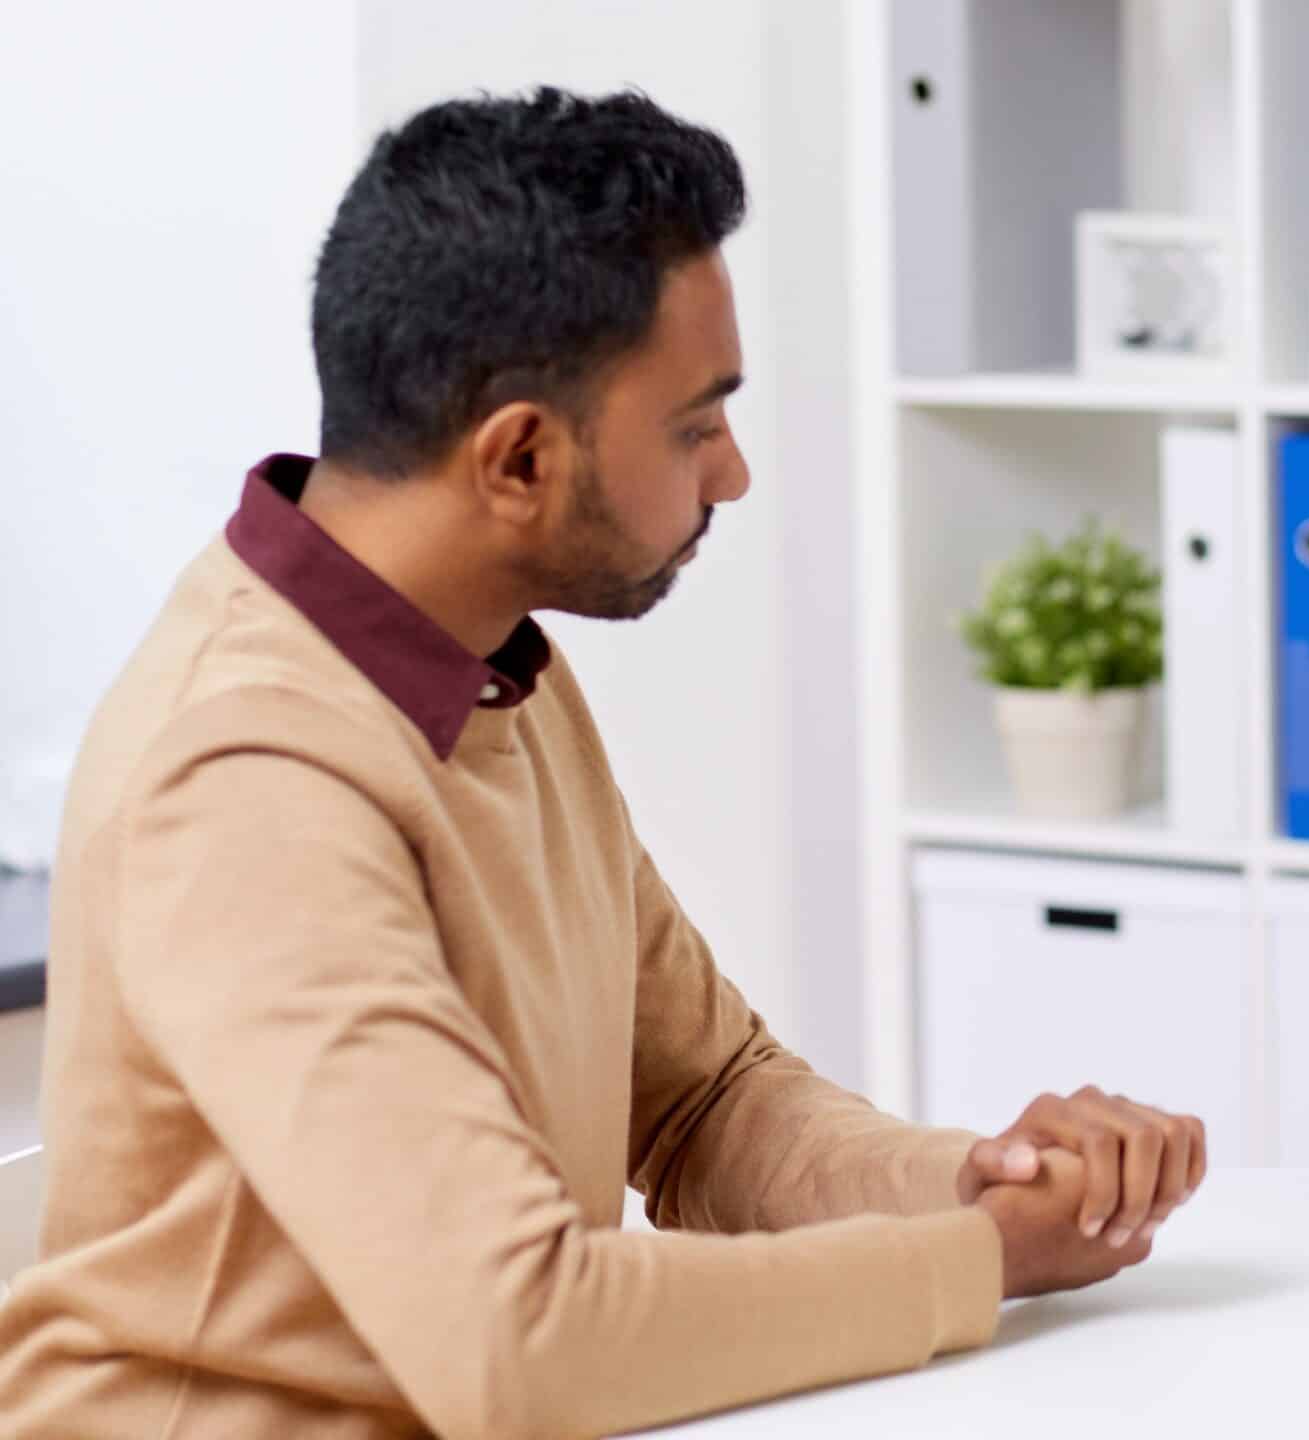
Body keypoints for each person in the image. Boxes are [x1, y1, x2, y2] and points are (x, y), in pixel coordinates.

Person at [0, 88, 1205, 1437]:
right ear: (519, 455)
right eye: (697, 425)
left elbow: (707, 1101)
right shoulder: (244, 773)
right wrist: (983, 1266)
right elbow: (521, 1341)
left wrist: (981, 1185)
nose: (733, 474)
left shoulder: (490, 668)